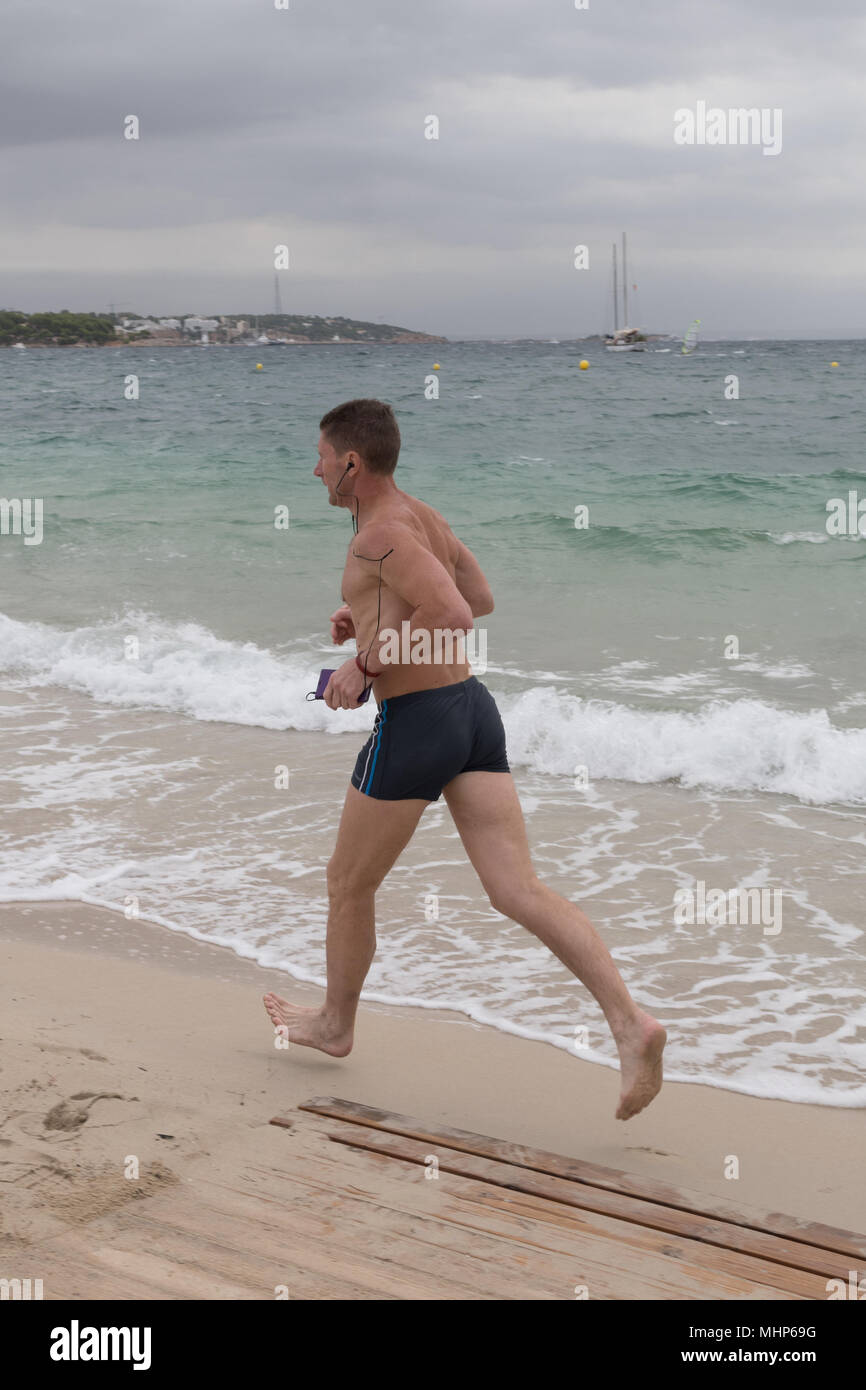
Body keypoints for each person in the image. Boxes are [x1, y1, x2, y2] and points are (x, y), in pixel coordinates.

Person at [264, 399, 665, 1119]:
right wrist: (375, 615)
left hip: (417, 724)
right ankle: (631, 1025)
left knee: (347, 883)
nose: (315, 468)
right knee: (518, 890)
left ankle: (335, 1024)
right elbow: (475, 595)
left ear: (351, 463)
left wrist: (365, 660)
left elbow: (450, 611)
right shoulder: (423, 519)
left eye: (321, 456)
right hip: (472, 715)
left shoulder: (376, 537)